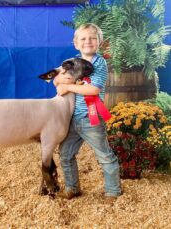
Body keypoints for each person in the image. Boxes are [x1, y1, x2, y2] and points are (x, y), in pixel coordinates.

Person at [53, 23, 122, 200]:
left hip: (91, 118)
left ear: (100, 42)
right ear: (76, 43)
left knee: (105, 156)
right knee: (66, 155)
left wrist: (68, 86)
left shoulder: (100, 63)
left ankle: (113, 191)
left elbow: (93, 90)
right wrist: (60, 80)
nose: (88, 41)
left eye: (92, 38)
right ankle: (72, 188)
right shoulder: (71, 62)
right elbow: (56, 81)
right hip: (71, 119)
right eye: (83, 38)